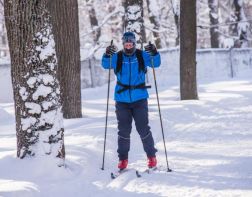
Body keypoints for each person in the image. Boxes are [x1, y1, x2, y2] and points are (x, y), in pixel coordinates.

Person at [101, 32, 161, 170]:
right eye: (126, 44)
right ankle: (123, 159)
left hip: (139, 99)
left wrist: (154, 52)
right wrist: (107, 54)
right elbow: (105, 64)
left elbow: (156, 63)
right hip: (122, 100)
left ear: (134, 43)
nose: (128, 46)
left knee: (143, 129)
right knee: (123, 131)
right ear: (123, 44)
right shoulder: (118, 56)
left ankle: (151, 157)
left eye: (131, 43)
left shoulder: (141, 55)